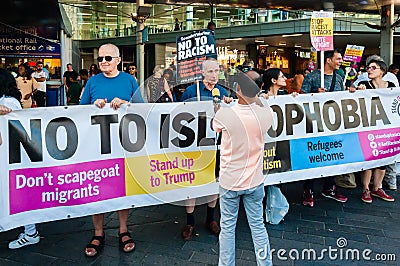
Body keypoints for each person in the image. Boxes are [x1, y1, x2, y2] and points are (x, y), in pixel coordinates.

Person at [80, 43, 143, 257]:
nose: (104, 62)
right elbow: (78, 113)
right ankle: (98, 233)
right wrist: (92, 105)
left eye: (108, 58)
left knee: (121, 187)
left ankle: (123, 229)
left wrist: (125, 103)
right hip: (96, 146)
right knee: (97, 188)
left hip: (122, 145)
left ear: (118, 60)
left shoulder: (129, 80)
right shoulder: (92, 82)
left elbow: (142, 109)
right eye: (100, 59)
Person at [212, 70, 273, 266]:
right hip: (255, 181)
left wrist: (218, 105)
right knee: (258, 226)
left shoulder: (226, 114)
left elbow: (216, 126)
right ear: (260, 88)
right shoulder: (266, 112)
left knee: (228, 227)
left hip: (230, 180)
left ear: (237, 89)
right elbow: (261, 103)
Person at [180, 58, 232, 241]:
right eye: (210, 71)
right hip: (195, 146)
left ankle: (211, 219)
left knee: (214, 181)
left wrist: (226, 105)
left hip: (217, 144)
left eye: (217, 71)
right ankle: (190, 221)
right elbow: (179, 115)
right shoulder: (190, 91)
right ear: (202, 73)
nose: (214, 75)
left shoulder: (223, 92)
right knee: (193, 181)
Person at [300, 49, 348, 207]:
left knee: (332, 155)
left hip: (333, 124)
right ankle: (309, 189)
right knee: (314, 155)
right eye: (338, 58)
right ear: (328, 60)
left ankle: (329, 187)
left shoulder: (339, 78)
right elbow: (301, 98)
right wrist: (314, 94)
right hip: (315, 124)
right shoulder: (313, 77)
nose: (340, 61)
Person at [0, 69, 41, 249]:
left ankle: (31, 232)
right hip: (10, 158)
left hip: (11, 158)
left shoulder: (8, 103)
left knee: (19, 195)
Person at [354, 59, 395, 203]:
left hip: (384, 128)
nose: (369, 70)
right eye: (368, 68)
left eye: (373, 68)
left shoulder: (391, 86)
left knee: (382, 159)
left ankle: (377, 188)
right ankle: (366, 188)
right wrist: (357, 92)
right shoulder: (364, 85)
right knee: (370, 158)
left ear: (382, 71)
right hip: (368, 127)